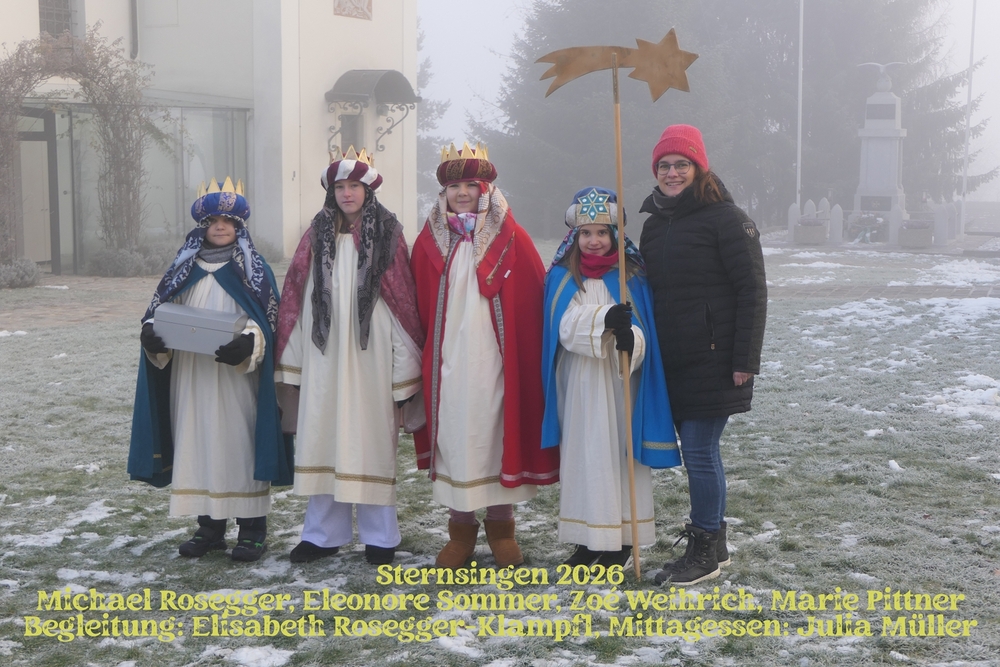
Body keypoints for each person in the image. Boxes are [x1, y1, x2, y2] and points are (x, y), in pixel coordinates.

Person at [410, 142, 559, 568]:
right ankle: (460, 530)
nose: (462, 193)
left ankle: (501, 528)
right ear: (444, 192)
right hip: (448, 361)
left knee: (495, 436)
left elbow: (531, 301)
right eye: (454, 186)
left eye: (470, 185)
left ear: (485, 189)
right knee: (456, 437)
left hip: (496, 360)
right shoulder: (428, 242)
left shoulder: (513, 238)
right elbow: (417, 304)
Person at [129, 177, 293, 562]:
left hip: (238, 379)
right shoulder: (182, 268)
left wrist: (249, 343)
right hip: (191, 376)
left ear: (239, 226)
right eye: (214, 221)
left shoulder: (253, 269)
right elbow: (161, 311)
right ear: (203, 226)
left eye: (228, 221)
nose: (220, 227)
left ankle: (252, 528)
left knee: (239, 444)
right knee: (198, 442)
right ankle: (209, 527)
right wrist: (151, 333)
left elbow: (269, 322)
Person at [274, 147, 424, 565]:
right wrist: (294, 360)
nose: (346, 193)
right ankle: (322, 535)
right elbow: (297, 297)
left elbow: (402, 302)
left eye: (354, 185)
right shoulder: (316, 233)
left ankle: (380, 536)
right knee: (323, 438)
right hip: (323, 356)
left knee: (370, 441)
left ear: (367, 189)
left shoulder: (388, 233)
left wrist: (403, 370)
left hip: (371, 356)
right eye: (340, 186)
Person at [638, 125, 767, 585]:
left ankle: (705, 548)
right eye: (664, 165)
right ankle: (717, 543)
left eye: (681, 164)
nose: (672, 173)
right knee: (698, 451)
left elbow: (752, 290)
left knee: (698, 450)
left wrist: (745, 360)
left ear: (699, 168)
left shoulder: (727, 219)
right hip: (672, 361)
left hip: (716, 358)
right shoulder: (654, 225)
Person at [541, 188, 680, 568]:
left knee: (619, 456)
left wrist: (630, 338)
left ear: (615, 234)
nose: (594, 240)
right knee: (584, 456)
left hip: (622, 383)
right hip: (581, 380)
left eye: (602, 232)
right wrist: (602, 319)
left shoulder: (632, 276)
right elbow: (561, 326)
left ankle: (622, 540)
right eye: (586, 233)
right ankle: (587, 540)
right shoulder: (562, 276)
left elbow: (645, 332)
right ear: (575, 236)